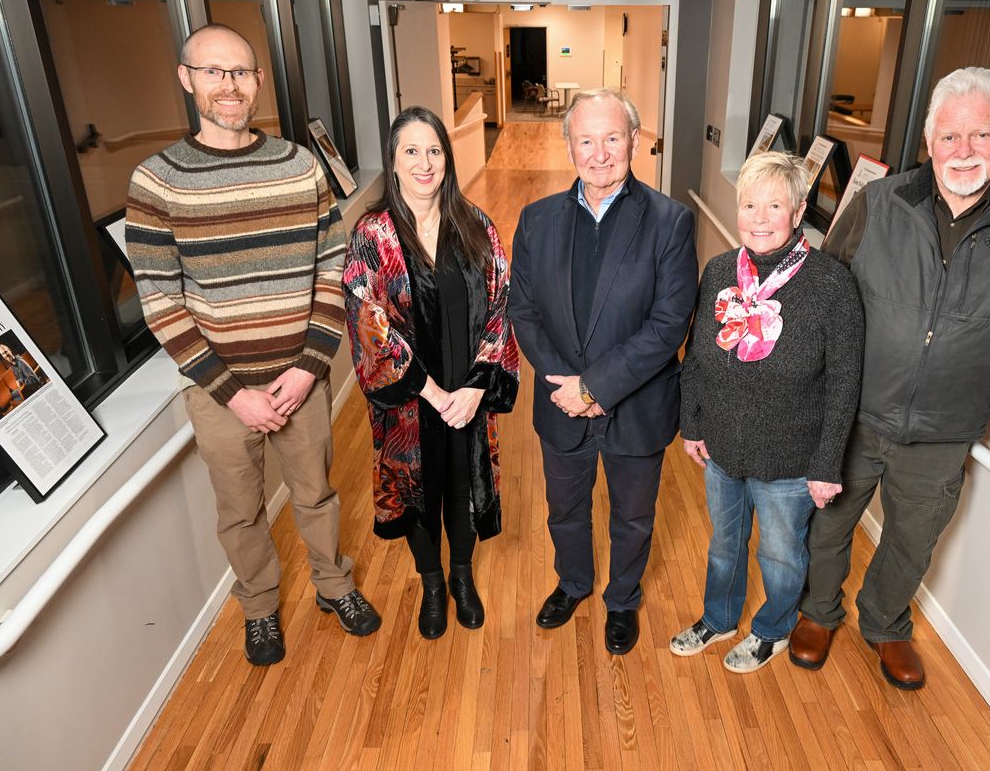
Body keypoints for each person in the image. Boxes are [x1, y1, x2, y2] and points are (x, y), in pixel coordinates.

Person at [791, 67, 990, 689]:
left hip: (944, 430)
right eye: (949, 137)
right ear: (928, 138)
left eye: (980, 136)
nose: (963, 151)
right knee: (828, 525)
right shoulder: (879, 201)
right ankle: (818, 612)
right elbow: (820, 299)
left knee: (912, 541)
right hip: (853, 414)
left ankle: (885, 624)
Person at [125, 24, 379, 667]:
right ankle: (260, 607)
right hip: (221, 394)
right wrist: (234, 394)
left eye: (241, 72)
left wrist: (308, 369)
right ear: (187, 79)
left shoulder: (300, 166)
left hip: (302, 379)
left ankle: (334, 584)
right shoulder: (157, 182)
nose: (229, 86)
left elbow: (333, 269)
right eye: (214, 72)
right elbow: (161, 303)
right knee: (239, 511)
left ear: (259, 81)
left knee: (316, 493)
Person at [509, 88, 698, 655]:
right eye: (586, 139)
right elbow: (523, 310)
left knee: (632, 516)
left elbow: (669, 325)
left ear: (634, 142)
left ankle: (622, 599)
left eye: (612, 138)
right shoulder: (536, 220)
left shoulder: (670, 222)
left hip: (636, 407)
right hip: (560, 401)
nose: (599, 152)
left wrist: (597, 387)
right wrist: (570, 388)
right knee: (565, 509)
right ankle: (573, 584)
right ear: (568, 145)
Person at [670, 152, 863, 673]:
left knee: (780, 556)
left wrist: (826, 466)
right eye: (750, 204)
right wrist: (692, 424)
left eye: (774, 205)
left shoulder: (831, 285)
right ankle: (719, 618)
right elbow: (698, 356)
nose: (759, 217)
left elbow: (845, 384)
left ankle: (773, 629)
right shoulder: (717, 272)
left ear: (799, 211)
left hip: (791, 459)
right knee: (724, 545)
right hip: (723, 447)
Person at [343, 106, 519, 640]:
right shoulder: (373, 234)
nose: (425, 163)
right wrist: (429, 389)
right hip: (410, 399)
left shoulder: (476, 225)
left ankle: (463, 577)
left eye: (434, 150)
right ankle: (434, 583)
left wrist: (474, 386)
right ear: (393, 162)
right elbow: (365, 317)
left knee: (464, 484)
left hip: (466, 392)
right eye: (411, 151)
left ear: (448, 158)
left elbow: (501, 304)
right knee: (420, 490)